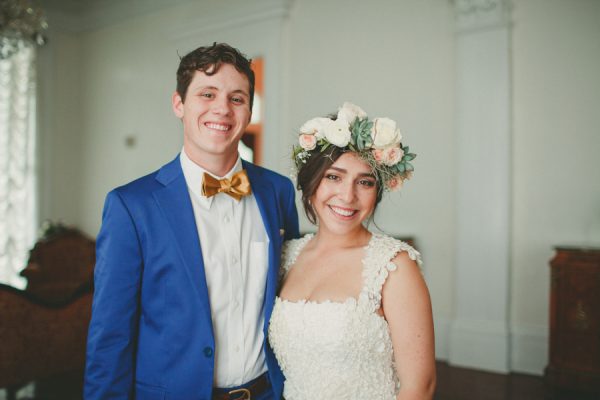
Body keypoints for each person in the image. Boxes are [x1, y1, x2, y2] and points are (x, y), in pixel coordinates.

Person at [84, 43, 299, 400]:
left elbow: (290, 301)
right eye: (207, 94)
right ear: (179, 104)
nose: (222, 109)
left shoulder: (277, 191)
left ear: (248, 109)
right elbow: (110, 335)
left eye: (237, 98)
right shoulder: (131, 206)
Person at [268, 102, 436, 399]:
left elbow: (419, 387)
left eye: (365, 182)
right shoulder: (286, 255)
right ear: (311, 183)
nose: (347, 196)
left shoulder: (394, 267)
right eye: (334, 176)